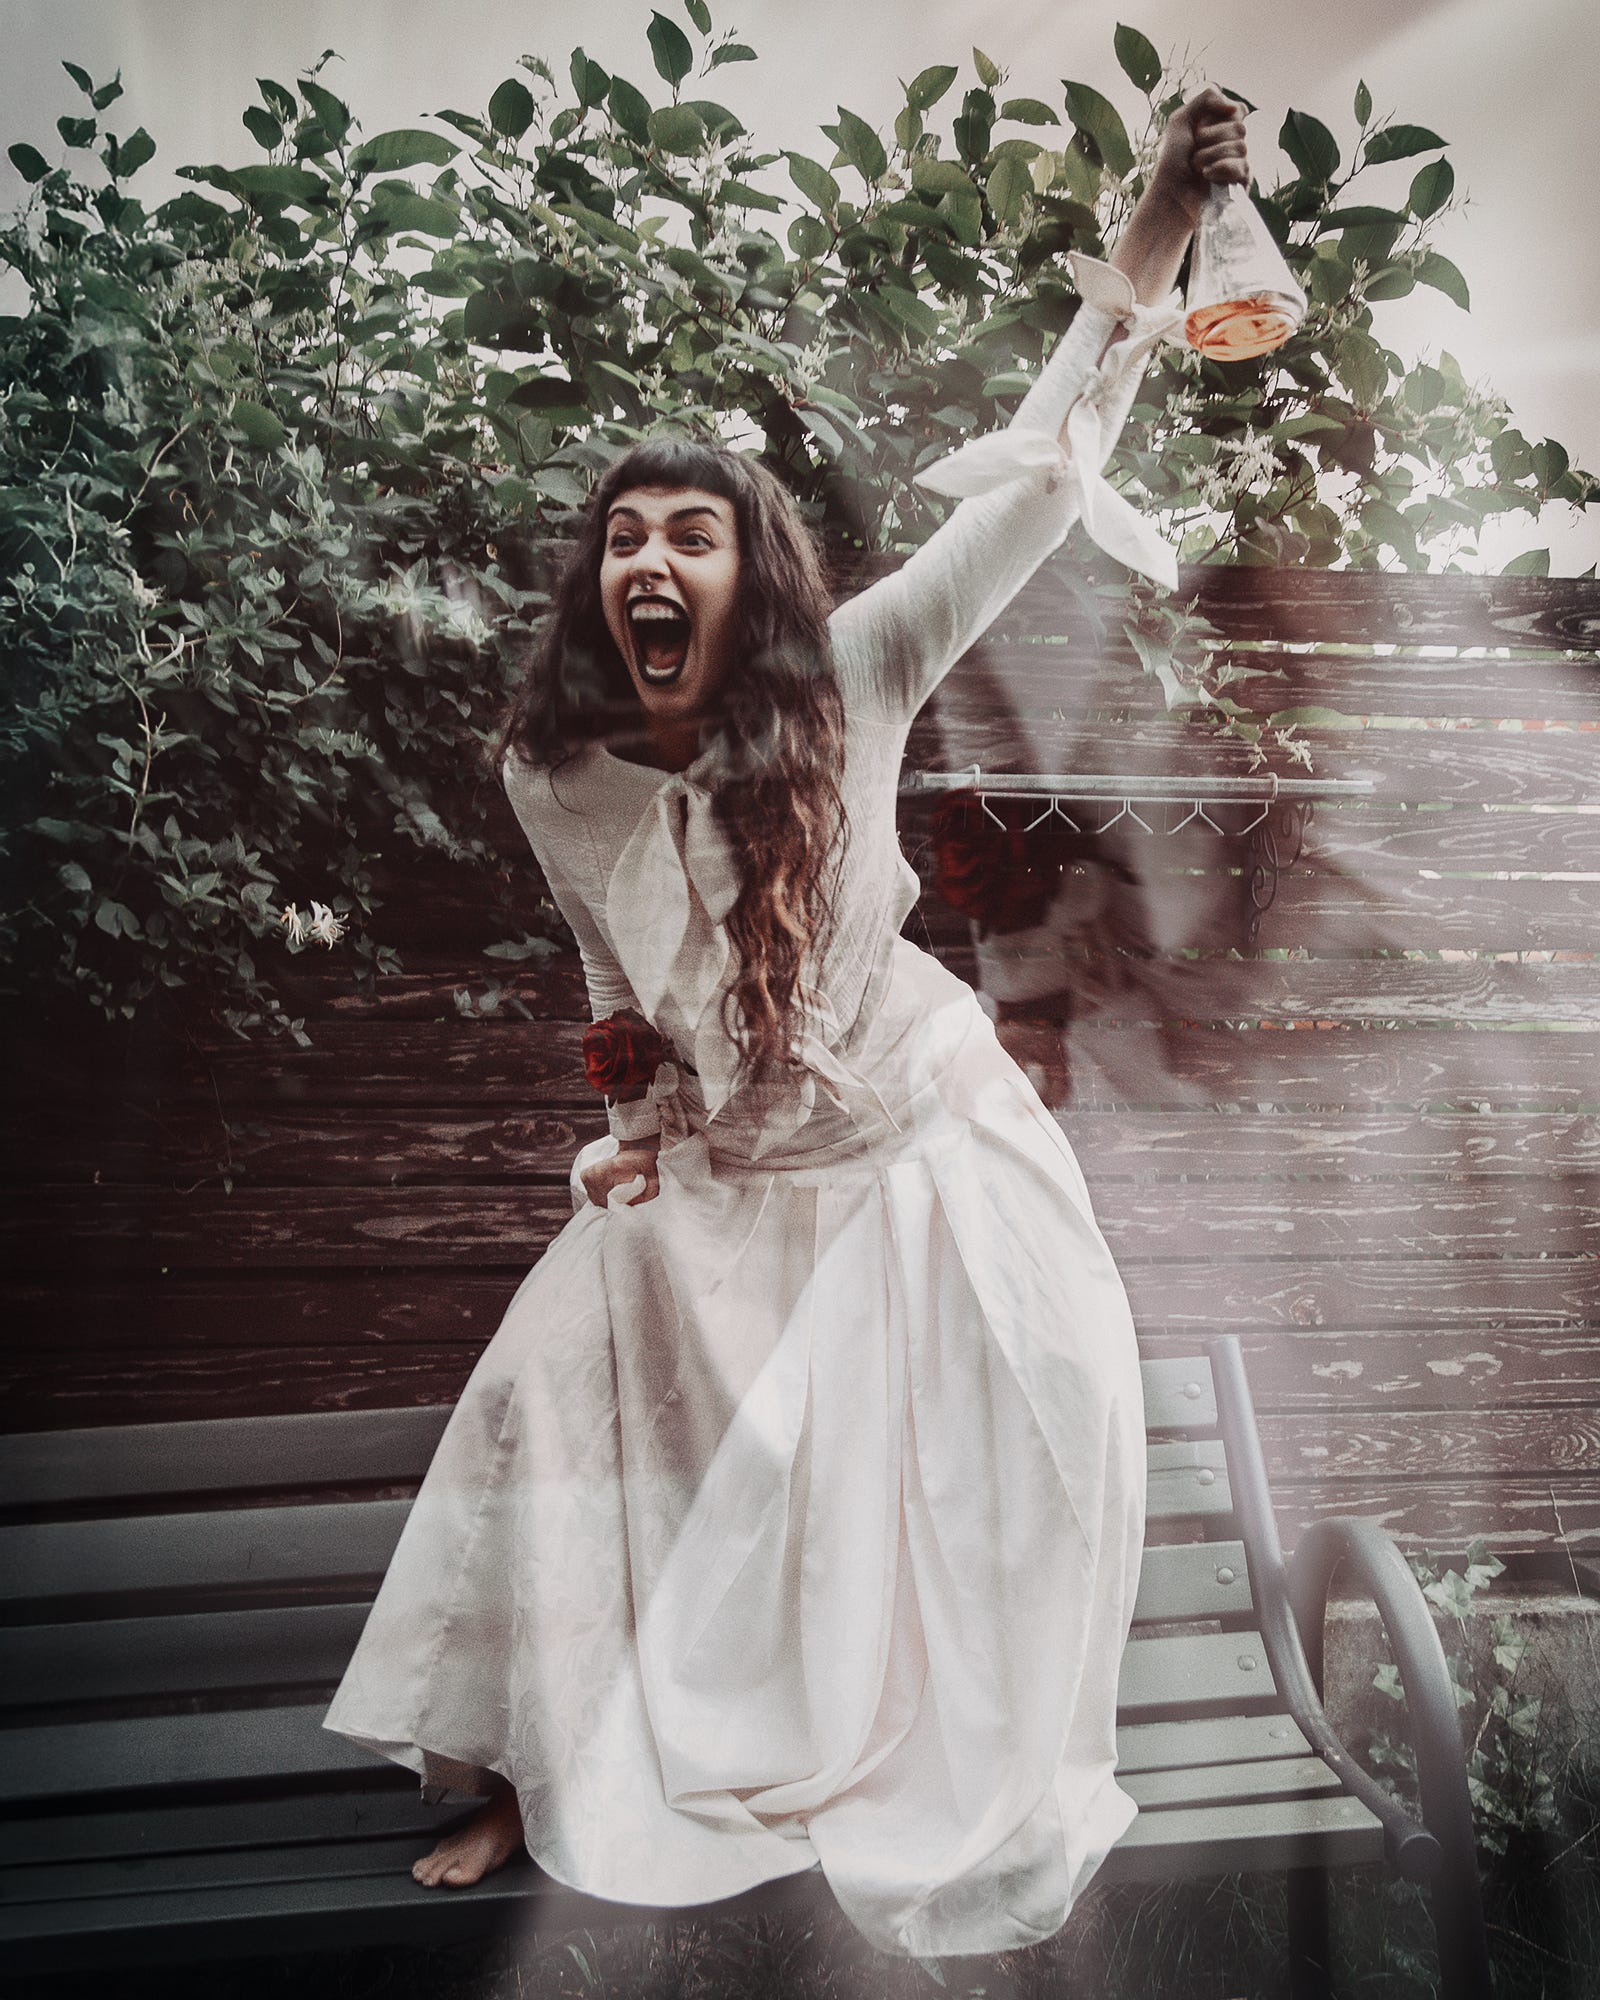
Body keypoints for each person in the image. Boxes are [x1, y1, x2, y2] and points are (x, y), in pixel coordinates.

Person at [324, 86, 1250, 1959]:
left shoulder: (858, 673)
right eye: (624, 539)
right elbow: (616, 983)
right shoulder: (549, 772)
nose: (651, 562)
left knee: (1005, 1429)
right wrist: (629, 1128)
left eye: (694, 534)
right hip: (732, 1162)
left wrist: (1159, 221)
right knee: (550, 1374)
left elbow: (1038, 477)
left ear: (750, 578)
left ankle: (892, 1744)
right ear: (599, 586)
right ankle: (528, 1763)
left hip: (917, 1148)